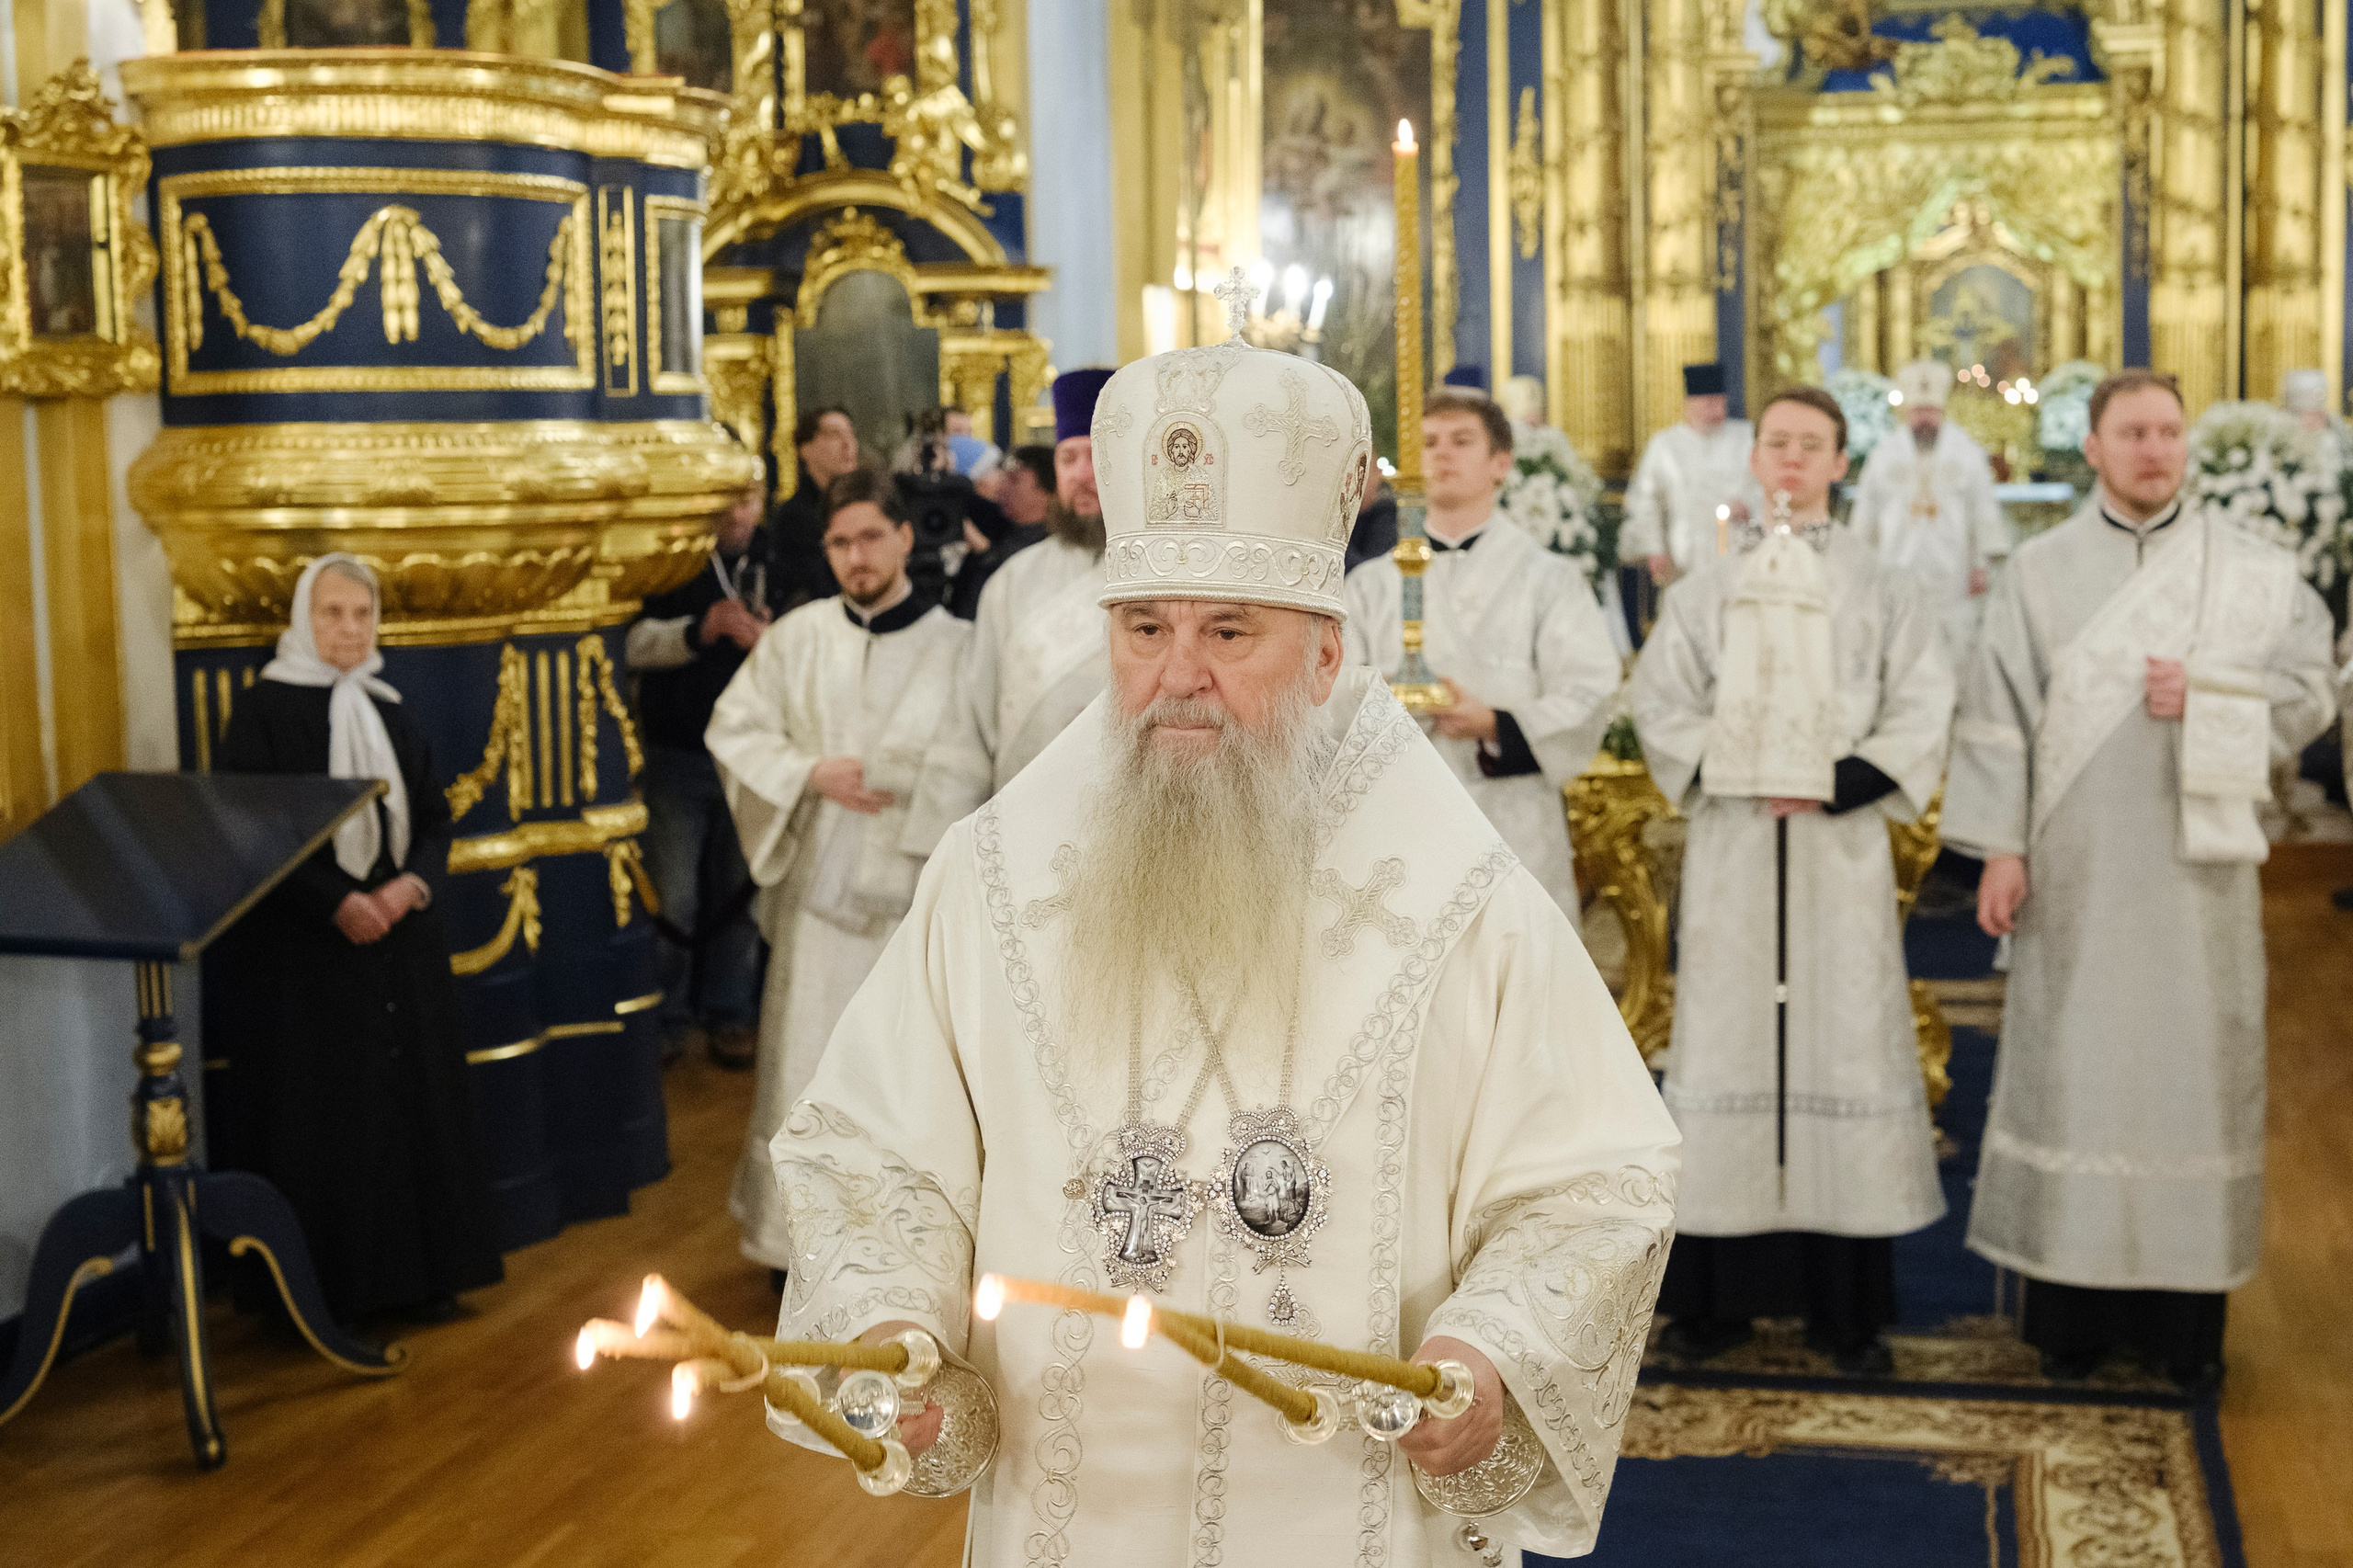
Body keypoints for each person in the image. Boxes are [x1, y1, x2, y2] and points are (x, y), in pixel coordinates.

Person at [766, 327, 1678, 1562]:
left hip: (1357, 1505)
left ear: (1325, 650)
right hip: (1070, 1511)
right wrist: (898, 1333)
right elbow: (876, 1155)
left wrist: (1492, 1347)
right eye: (1144, 629)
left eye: (1229, 633)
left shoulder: (1461, 898)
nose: (1177, 674)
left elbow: (1595, 1178)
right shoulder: (995, 876)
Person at [1943, 369, 2337, 1392]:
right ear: (2094, 446)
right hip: (2074, 868)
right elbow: (1995, 716)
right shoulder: (2038, 570)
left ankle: (2183, 1332)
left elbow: (2309, 694)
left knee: (2189, 1077)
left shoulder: (2249, 569)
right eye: (2133, 432)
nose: (2154, 448)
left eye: (2168, 430)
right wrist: (1998, 845)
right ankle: (2069, 1321)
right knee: (2079, 1070)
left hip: (2195, 881)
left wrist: (2214, 692)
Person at [1631, 386, 1954, 1374]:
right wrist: (1743, 774)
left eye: (1811, 446)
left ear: (1839, 464)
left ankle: (1842, 1309)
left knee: (1840, 1040)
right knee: (1730, 1043)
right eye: (1777, 443)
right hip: (1736, 847)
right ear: (1754, 458)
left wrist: (1836, 782)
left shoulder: (1885, 587)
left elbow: (1920, 698)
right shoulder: (1705, 590)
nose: (1791, 460)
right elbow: (1662, 697)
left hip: (1837, 852)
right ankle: (1714, 1301)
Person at [201, 554, 503, 1325]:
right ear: (304, 619)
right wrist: (336, 903)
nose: (348, 629)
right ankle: (330, 1292)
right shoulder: (265, 712)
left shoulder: (390, 706)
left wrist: (408, 887)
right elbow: (254, 829)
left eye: (361, 615)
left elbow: (430, 816)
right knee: (328, 1115)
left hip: (400, 936)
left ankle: (422, 1277)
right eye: (332, 614)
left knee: (410, 1107)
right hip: (309, 955)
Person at [707, 470, 971, 1278]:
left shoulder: (958, 645)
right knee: (810, 1061)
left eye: (868, 538)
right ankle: (801, 1248)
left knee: (911, 1069)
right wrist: (809, 773)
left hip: (916, 900)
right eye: (839, 543)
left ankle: (914, 1245)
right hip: (819, 898)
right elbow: (736, 727)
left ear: (902, 537)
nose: (855, 557)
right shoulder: (801, 637)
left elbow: (980, 761)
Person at [1343, 388, 1620, 915]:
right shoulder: (1370, 587)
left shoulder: (1549, 580)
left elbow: (1589, 689)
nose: (1441, 453)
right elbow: (1334, 696)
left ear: (1501, 463)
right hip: (1401, 818)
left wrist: (1495, 723)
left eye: (1461, 440)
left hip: (1512, 818)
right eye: (1428, 442)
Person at [898, 368, 1115, 854]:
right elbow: (970, 722)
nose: (1082, 474)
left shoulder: (1174, 576)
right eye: (1068, 457)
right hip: (1027, 833)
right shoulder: (1011, 583)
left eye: (1099, 454)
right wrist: (946, 850)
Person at [627, 475, 777, 1070]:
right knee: (677, 896)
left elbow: (818, 635)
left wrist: (777, 638)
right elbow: (632, 643)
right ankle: (666, 1015)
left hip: (754, 759)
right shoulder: (671, 558)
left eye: (748, 499)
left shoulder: (782, 554)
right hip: (678, 753)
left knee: (738, 891)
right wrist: (700, 631)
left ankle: (730, 1012)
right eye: (726, 500)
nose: (738, 512)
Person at [1847, 359, 2009, 665]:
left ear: (1942, 410)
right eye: (1919, 412)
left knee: (1953, 639)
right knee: (1899, 638)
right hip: (1896, 560)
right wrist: (1862, 563)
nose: (1925, 419)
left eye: (1931, 412)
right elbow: (1866, 514)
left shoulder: (1967, 453)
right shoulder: (1883, 455)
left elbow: (1983, 510)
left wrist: (1980, 566)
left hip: (1953, 566)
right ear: (1907, 411)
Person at [1622, 362, 1757, 584]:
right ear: (1688, 404)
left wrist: (1750, 506)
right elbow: (1644, 501)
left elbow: (1765, 486)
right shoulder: (1665, 444)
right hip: (1683, 556)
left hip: (1740, 551)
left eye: (1719, 402)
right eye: (1707, 403)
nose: (1714, 409)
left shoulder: (1746, 438)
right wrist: (1654, 548)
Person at [948, 443, 1053, 619]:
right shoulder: (995, 521)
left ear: (1045, 494)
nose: (1003, 488)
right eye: (1005, 478)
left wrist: (983, 552)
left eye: (1015, 481)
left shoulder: (1052, 546)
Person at [769, 406, 861, 609]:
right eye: (835, 434)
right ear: (805, 449)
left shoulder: (860, 508)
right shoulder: (794, 518)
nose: (848, 444)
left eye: (851, 434)